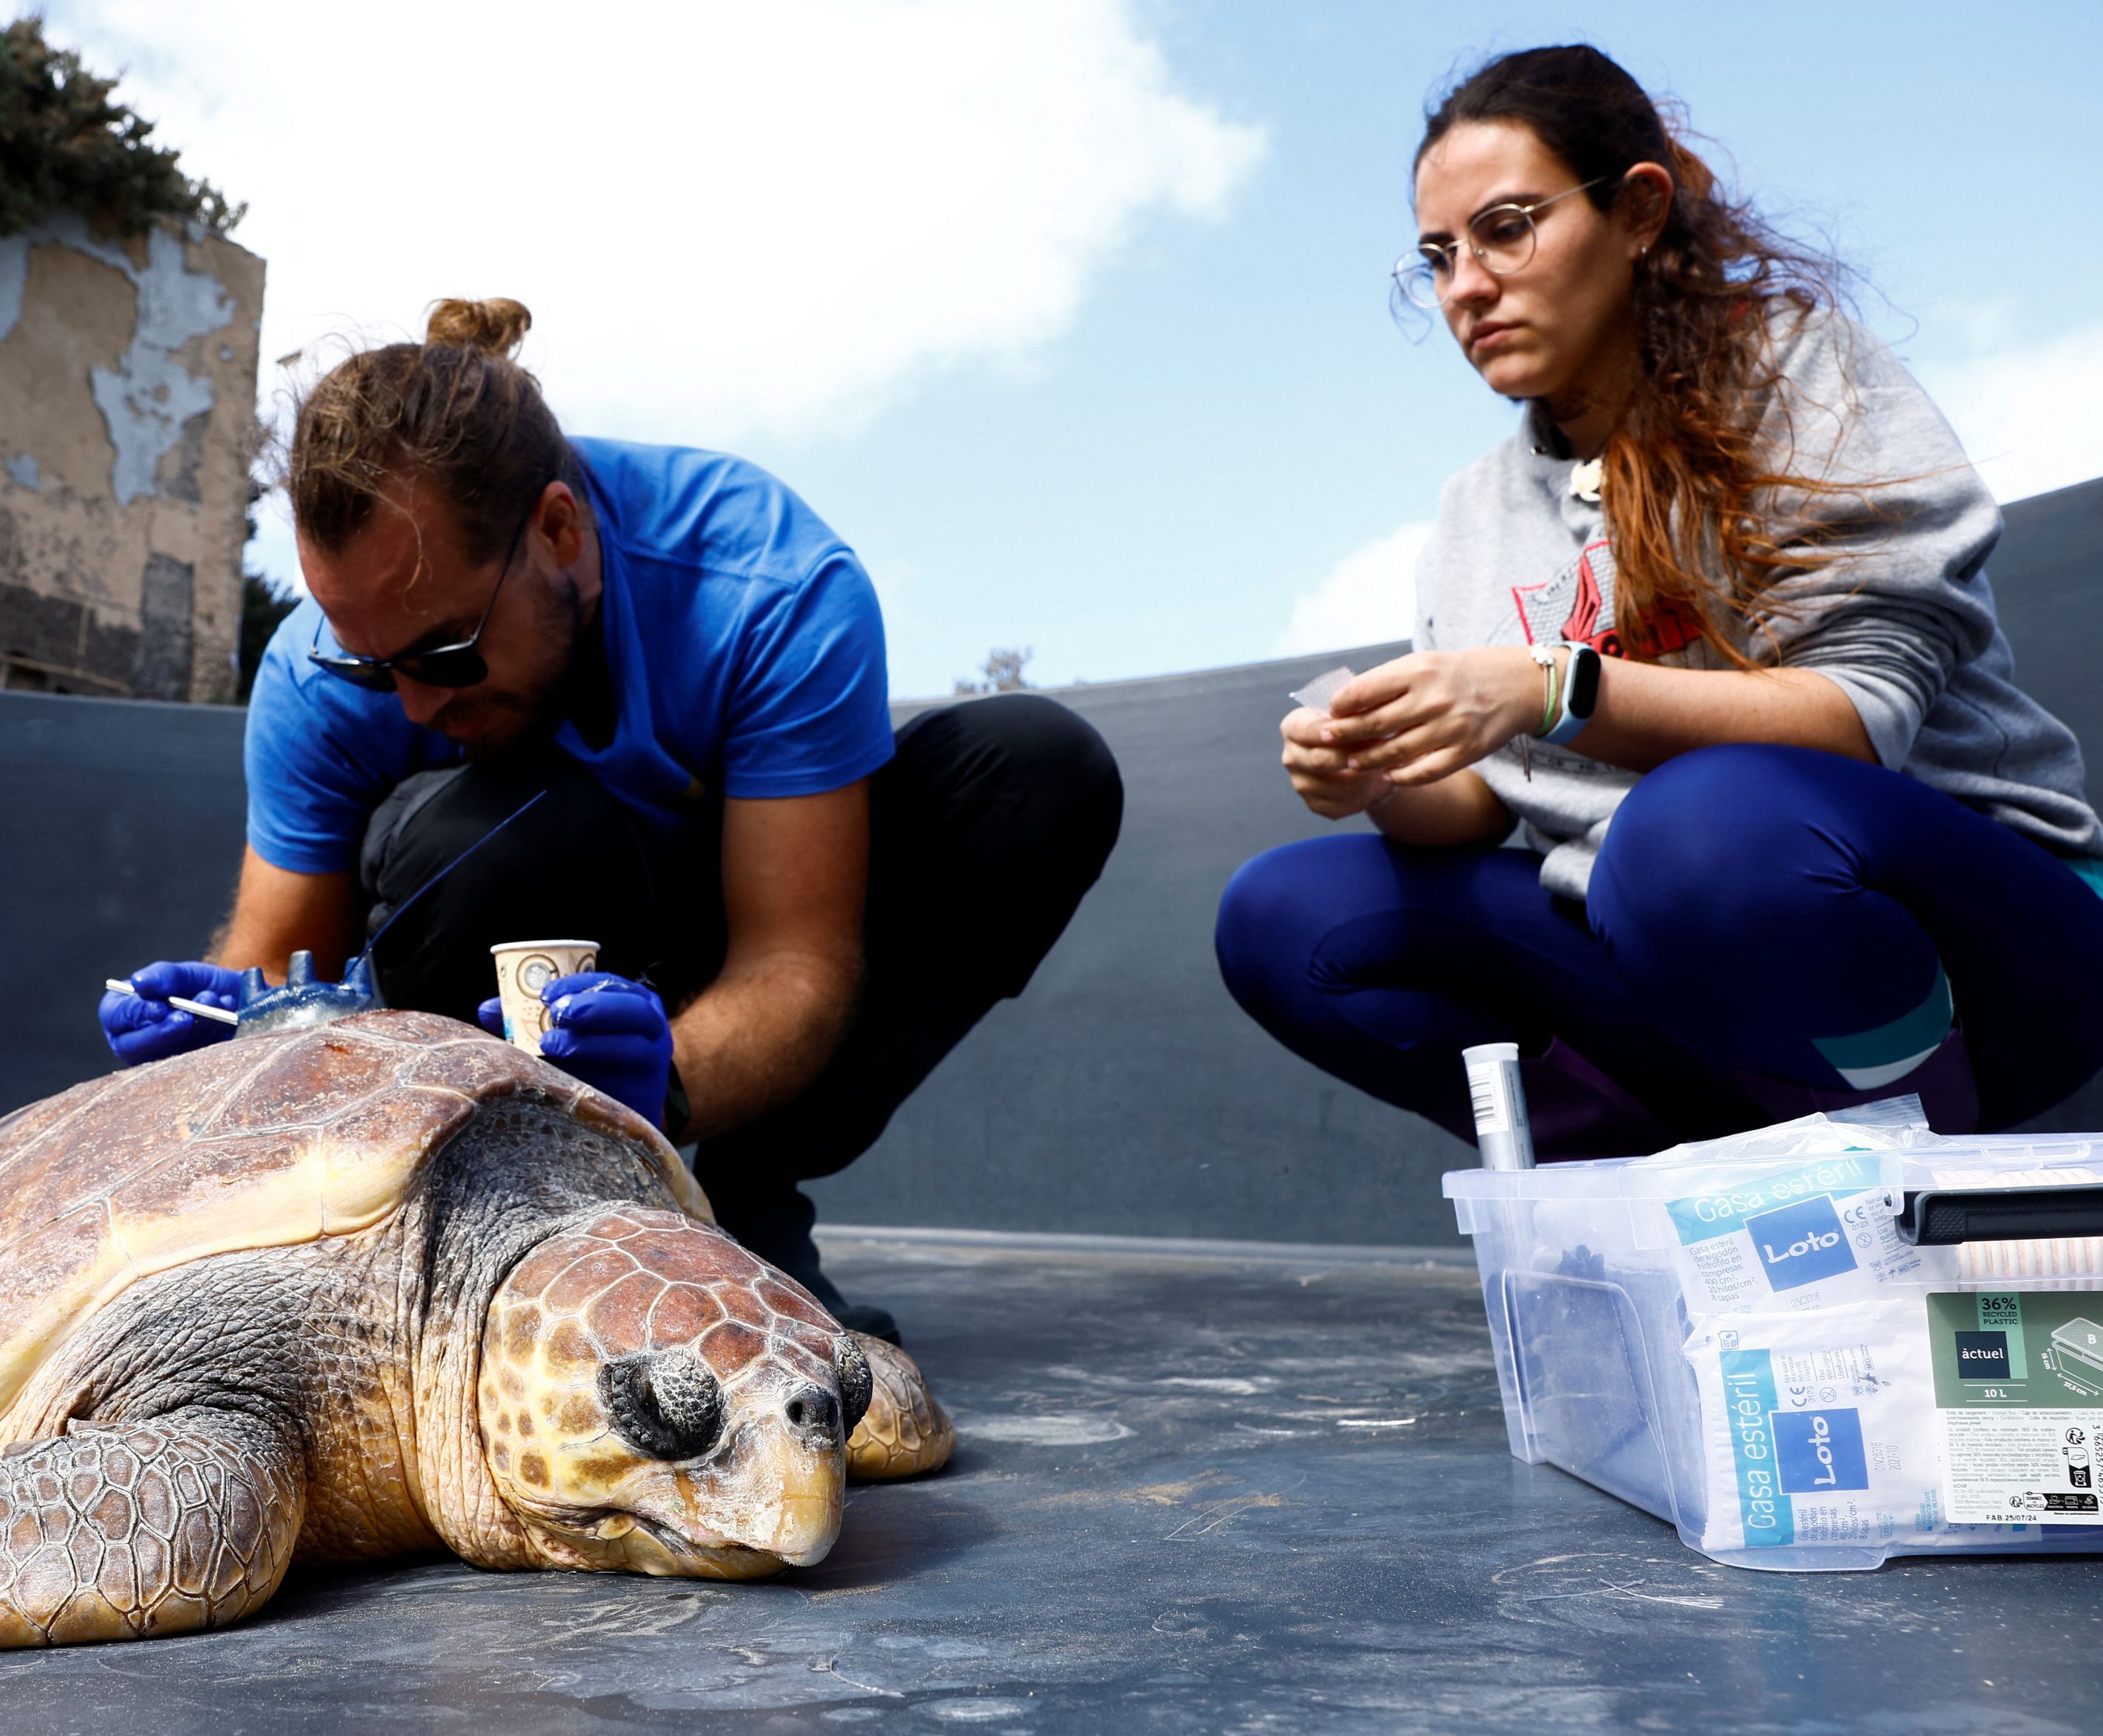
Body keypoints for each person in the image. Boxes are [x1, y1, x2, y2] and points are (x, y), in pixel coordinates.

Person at [104, 299, 1122, 1338]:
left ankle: (746, 1209)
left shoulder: (766, 588)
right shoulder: (316, 672)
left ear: (559, 530)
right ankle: (453, 1229)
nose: (411, 703)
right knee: (491, 831)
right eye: (372, 665)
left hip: (715, 965)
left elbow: (794, 961)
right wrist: (216, 1049)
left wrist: (663, 1083)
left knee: (1033, 773)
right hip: (478, 1021)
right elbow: (279, 967)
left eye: (446, 652)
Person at [1216, 45, 2103, 1159]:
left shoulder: (1796, 373)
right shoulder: (1471, 512)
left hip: (1983, 960)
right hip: (1666, 972)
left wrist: (1553, 686)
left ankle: (1915, 1185)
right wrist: (1381, 773)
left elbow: (1857, 718)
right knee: (1286, 915)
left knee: (1697, 831)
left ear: (1637, 211)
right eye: (1439, 256)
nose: (1465, 287)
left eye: (1505, 229)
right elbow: (1481, 810)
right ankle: (1663, 1196)